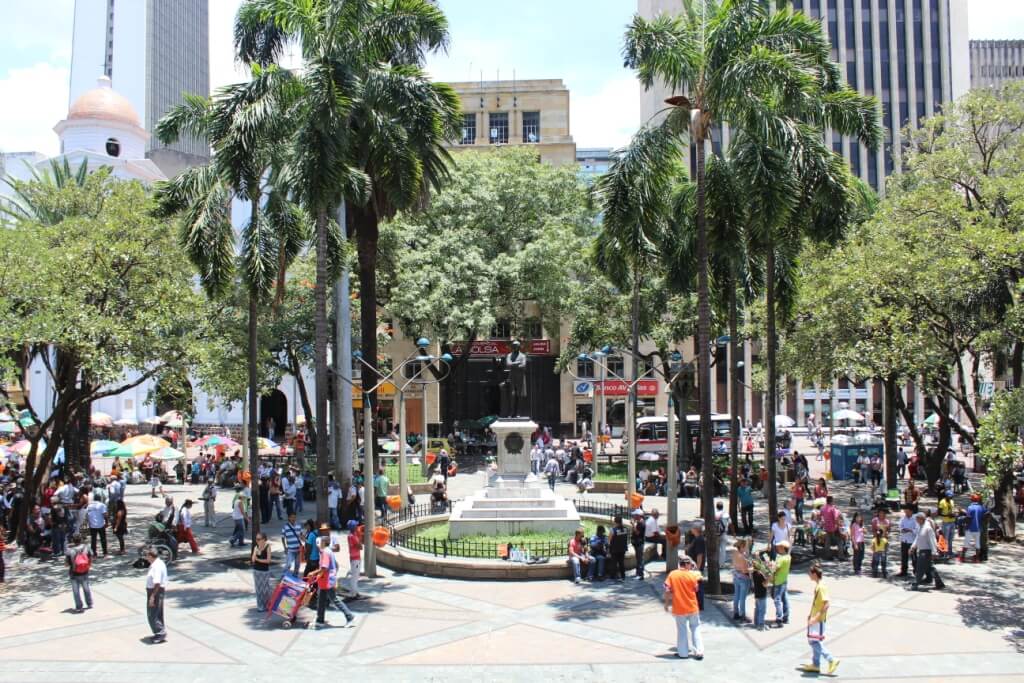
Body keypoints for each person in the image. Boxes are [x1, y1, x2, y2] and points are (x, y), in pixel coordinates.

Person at [663, 554, 704, 660]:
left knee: (682, 630)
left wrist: (667, 604)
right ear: (686, 564)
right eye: (690, 564)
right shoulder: (692, 576)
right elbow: (696, 589)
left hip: (679, 608)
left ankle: (683, 653)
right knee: (695, 628)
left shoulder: (672, 574)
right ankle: (699, 651)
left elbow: (667, 590)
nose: (691, 566)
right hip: (692, 607)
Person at [803, 563, 839, 674]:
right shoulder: (819, 585)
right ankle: (816, 664)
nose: (809, 575)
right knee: (814, 640)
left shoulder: (821, 587)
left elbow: (826, 604)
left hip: (818, 620)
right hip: (815, 618)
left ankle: (831, 659)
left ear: (814, 574)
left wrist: (815, 618)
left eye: (810, 573)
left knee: (814, 642)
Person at [314, 536, 356, 628]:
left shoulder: (325, 552)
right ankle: (320, 620)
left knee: (334, 599)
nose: (319, 544)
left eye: (320, 542)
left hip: (327, 580)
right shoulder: (327, 551)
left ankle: (349, 617)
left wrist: (314, 573)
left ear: (324, 543)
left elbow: (324, 567)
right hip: (325, 580)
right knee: (321, 599)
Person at [910, 511, 940, 590]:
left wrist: (934, 552)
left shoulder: (928, 528)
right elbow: (918, 538)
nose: (916, 520)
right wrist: (913, 547)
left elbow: (932, 540)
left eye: (917, 519)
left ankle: (916, 583)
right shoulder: (920, 527)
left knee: (920, 567)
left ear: (921, 519)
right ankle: (939, 582)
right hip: (921, 550)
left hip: (926, 551)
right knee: (929, 567)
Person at [65, 533, 94, 613]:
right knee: (86, 588)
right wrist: (88, 566)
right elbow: (91, 557)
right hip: (85, 572)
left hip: (74, 573)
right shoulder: (86, 547)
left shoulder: (70, 550)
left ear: (73, 540)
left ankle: (79, 607)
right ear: (81, 539)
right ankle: (89, 603)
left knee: (76, 591)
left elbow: (66, 564)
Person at [145, 548, 168, 644]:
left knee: (152, 613)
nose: (146, 558)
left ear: (151, 556)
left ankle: (160, 633)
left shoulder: (156, 566)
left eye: (147, 556)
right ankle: (160, 631)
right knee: (157, 612)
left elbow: (157, 583)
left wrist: (152, 596)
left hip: (155, 591)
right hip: (156, 591)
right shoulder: (158, 563)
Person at [251, 532, 273, 611]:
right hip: (256, 570)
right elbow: (253, 560)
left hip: (264, 571)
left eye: (259, 539)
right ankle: (260, 606)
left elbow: (268, 560)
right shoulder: (256, 547)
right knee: (258, 590)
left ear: (264, 539)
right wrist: (256, 552)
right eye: (256, 539)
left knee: (266, 589)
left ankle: (267, 605)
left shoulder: (268, 547)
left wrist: (258, 559)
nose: (257, 541)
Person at [772, 540, 791, 627]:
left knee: (777, 600)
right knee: (785, 599)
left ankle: (779, 619)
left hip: (778, 581)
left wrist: (771, 565)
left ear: (783, 548)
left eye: (779, 547)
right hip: (784, 580)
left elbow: (775, 569)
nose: (777, 548)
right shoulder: (788, 557)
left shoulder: (781, 559)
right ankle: (786, 617)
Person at [731, 539, 752, 622]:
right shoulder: (742, 557)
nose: (747, 548)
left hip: (736, 576)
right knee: (742, 597)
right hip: (743, 578)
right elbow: (744, 570)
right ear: (742, 547)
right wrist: (751, 569)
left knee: (736, 595)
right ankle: (742, 615)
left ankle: (736, 613)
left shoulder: (735, 554)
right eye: (746, 547)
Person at [963, 494, 986, 562]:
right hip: (978, 528)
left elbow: (968, 517)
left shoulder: (970, 507)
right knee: (977, 544)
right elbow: (987, 513)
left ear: (972, 500)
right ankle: (977, 559)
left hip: (970, 528)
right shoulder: (981, 507)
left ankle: (962, 557)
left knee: (966, 543)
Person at [85, 493, 108, 557]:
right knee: (103, 539)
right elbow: (105, 515)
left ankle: (94, 554)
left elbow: (87, 515)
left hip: (92, 525)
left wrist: (88, 523)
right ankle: (105, 553)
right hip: (100, 524)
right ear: (100, 499)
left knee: (93, 540)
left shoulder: (89, 506)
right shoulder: (102, 505)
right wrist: (107, 522)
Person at [897, 505, 918, 578]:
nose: (906, 513)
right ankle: (904, 571)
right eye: (905, 512)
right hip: (904, 540)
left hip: (912, 541)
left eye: (908, 512)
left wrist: (910, 530)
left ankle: (916, 571)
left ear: (911, 511)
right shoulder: (903, 519)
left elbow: (917, 530)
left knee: (914, 557)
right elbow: (900, 526)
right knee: (904, 557)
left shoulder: (915, 519)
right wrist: (903, 530)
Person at [608, 514, 628, 582]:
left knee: (614, 563)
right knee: (621, 563)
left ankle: (613, 576)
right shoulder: (625, 529)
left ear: (615, 522)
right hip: (623, 549)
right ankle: (623, 576)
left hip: (615, 549)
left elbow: (609, 540)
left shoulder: (613, 530)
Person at [752, 552, 769, 631]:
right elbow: (765, 584)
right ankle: (760, 624)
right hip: (762, 594)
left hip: (757, 593)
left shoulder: (754, 573)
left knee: (757, 608)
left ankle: (756, 622)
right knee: (762, 610)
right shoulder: (760, 574)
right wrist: (768, 578)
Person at [937, 491, 957, 559]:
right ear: (946, 496)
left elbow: (952, 510)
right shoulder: (942, 502)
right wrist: (947, 515)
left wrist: (954, 514)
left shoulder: (952, 501)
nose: (950, 498)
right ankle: (944, 552)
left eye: (951, 496)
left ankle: (950, 552)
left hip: (952, 522)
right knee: (945, 538)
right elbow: (939, 513)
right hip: (946, 522)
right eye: (949, 496)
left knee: (951, 538)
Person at [346, 520, 363, 597]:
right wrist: (359, 539)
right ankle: (353, 593)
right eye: (356, 526)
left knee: (356, 575)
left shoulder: (353, 535)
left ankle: (355, 592)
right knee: (355, 576)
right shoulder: (352, 536)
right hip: (355, 558)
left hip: (355, 557)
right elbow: (360, 546)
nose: (357, 526)